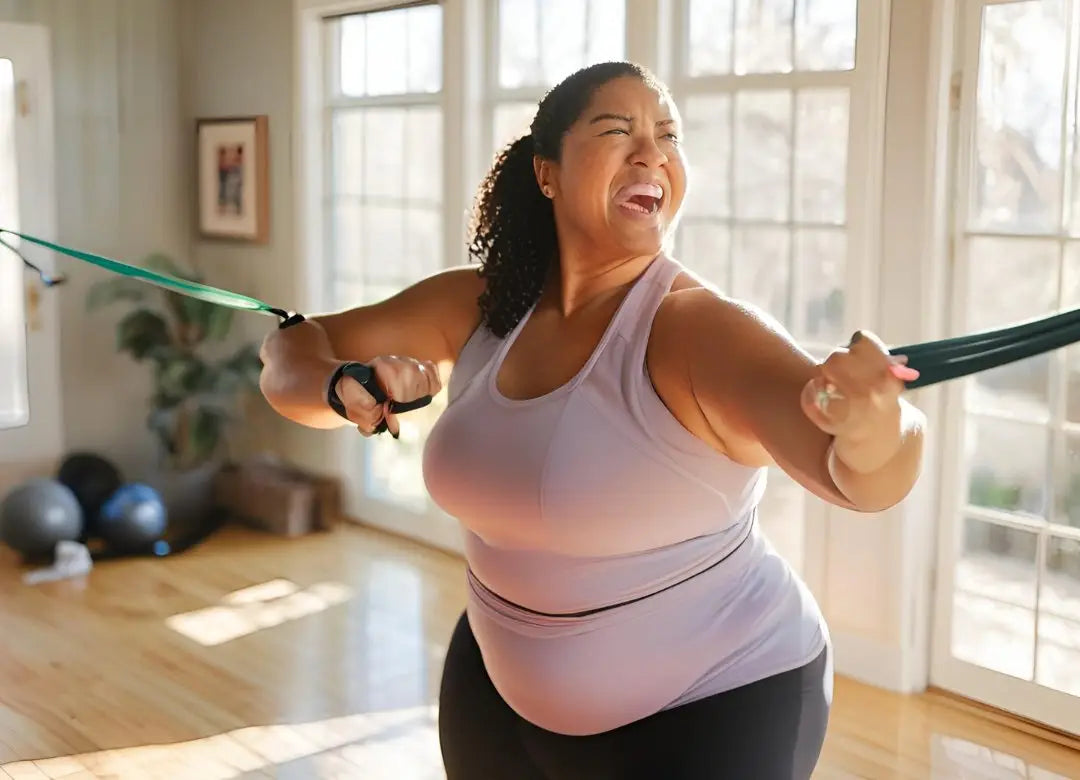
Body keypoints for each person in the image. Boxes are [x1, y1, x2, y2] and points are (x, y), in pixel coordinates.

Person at [258, 61, 925, 780]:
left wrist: (873, 424)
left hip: (715, 705)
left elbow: (860, 478)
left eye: (668, 135)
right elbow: (290, 347)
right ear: (547, 172)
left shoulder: (698, 332)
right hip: (496, 689)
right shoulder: (484, 307)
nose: (652, 153)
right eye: (618, 131)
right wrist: (338, 387)